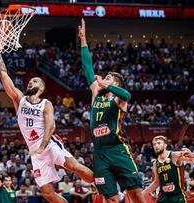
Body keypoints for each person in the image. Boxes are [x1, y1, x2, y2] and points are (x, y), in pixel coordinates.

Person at [0, 31, 94, 203]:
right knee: (47, 193)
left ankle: (101, 183)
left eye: (35, 81)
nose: (30, 82)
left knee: (73, 167)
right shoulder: (20, 100)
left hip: (48, 144)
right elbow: (4, 76)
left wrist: (43, 145)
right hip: (35, 151)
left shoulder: (46, 103)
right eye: (30, 81)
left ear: (40, 89)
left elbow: (50, 126)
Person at [78, 19, 145, 203]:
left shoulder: (118, 98)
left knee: (136, 194)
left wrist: (106, 83)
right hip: (99, 153)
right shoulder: (96, 93)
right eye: (104, 77)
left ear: (114, 83)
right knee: (111, 200)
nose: (103, 79)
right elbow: (88, 67)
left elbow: (127, 95)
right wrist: (83, 40)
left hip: (118, 149)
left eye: (108, 78)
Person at [142, 136, 193, 203]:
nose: (156, 145)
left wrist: (191, 154)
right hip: (163, 198)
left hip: (177, 197)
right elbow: (156, 183)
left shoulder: (174, 155)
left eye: (159, 143)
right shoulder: (155, 163)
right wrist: (143, 193)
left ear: (165, 145)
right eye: (154, 144)